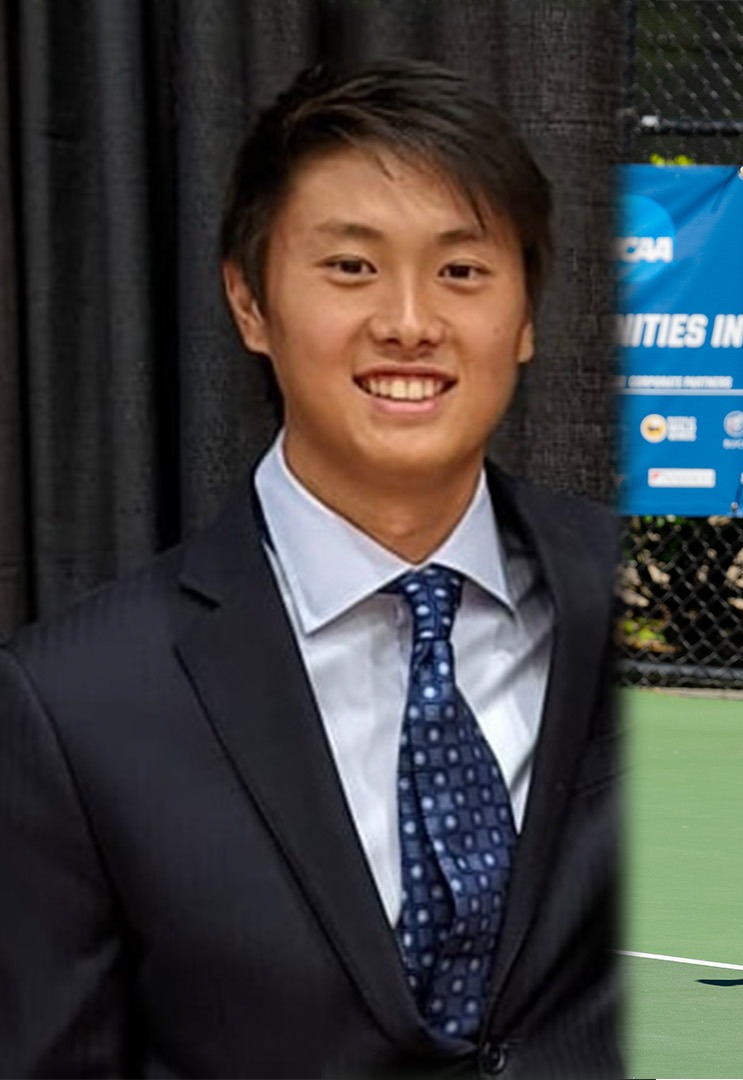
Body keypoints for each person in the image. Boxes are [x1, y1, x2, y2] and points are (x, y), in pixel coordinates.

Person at [0, 60, 621, 1076]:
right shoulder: (70, 703)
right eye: (351, 268)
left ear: (526, 316)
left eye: (462, 271)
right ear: (249, 303)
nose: (410, 322)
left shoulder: (630, 602)